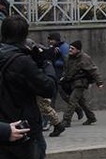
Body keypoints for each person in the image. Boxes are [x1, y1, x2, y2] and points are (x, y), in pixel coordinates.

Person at [0, 15, 57, 159]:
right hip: (23, 130)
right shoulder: (22, 62)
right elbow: (48, 88)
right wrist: (47, 64)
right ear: (25, 36)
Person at [60, 40, 103, 127]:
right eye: (70, 48)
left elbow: (93, 70)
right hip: (72, 82)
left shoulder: (84, 58)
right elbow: (67, 69)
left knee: (72, 100)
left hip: (80, 83)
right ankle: (91, 117)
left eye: (72, 48)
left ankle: (66, 120)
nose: (70, 50)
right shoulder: (69, 57)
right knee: (82, 102)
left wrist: (99, 82)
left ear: (78, 50)